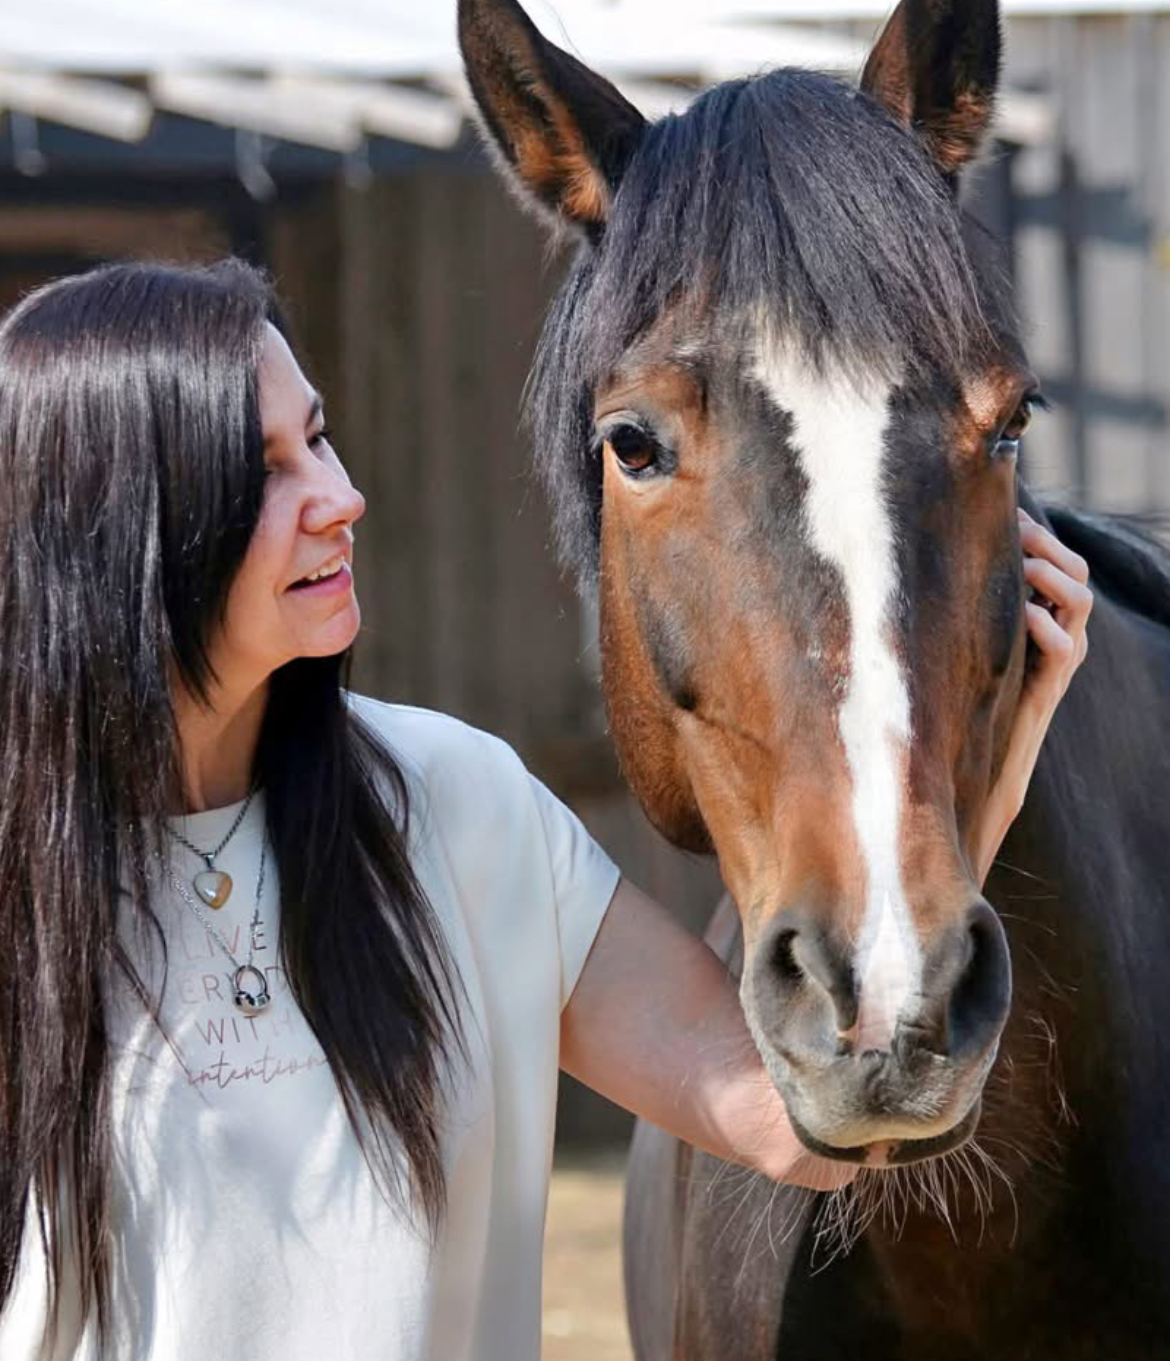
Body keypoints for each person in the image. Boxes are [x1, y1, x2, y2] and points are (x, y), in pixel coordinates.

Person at [0, 261, 1092, 1361]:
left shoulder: (461, 813)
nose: (339, 498)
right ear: (122, 527)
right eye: (267, 470)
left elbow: (819, 1117)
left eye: (319, 441)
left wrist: (994, 776)